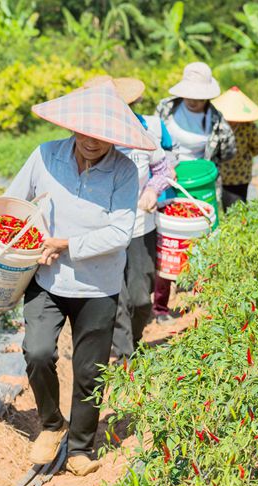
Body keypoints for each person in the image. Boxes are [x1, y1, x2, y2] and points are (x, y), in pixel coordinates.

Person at [4, 84, 153, 476]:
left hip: (97, 287)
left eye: (101, 136)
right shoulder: (45, 156)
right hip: (47, 279)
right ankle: (53, 425)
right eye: (84, 132)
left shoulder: (124, 171)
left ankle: (81, 446)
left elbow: (120, 233)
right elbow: (14, 204)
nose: (91, 141)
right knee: (37, 352)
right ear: (72, 127)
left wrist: (65, 244)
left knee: (89, 371)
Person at [84, 76, 173, 360]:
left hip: (140, 227)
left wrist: (152, 190)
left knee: (139, 298)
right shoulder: (90, 141)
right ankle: (123, 357)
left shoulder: (142, 134)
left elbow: (165, 168)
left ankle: (132, 339)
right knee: (117, 297)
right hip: (103, 230)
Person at [153, 62, 237, 323]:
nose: (193, 101)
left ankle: (199, 302)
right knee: (167, 242)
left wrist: (203, 169)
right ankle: (160, 307)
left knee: (202, 243)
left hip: (201, 187)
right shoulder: (166, 108)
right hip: (168, 183)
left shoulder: (216, 119)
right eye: (189, 94)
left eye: (199, 97)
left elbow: (229, 151)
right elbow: (153, 142)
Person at [211, 86, 258, 209]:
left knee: (234, 208)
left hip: (236, 175)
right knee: (232, 207)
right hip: (228, 175)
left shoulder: (247, 127)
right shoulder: (217, 125)